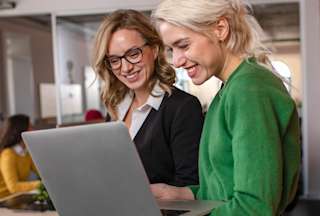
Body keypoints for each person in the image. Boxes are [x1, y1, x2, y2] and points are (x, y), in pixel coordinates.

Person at [151, 0, 301, 215]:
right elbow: (225, 187)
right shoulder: (229, 89)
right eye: (171, 49)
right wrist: (183, 194)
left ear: (220, 29)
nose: (176, 61)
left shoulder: (248, 89)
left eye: (183, 45)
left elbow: (254, 207)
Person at [92, 10, 203, 186]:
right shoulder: (115, 109)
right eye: (114, 60)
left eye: (133, 54)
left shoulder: (182, 107)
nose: (126, 67)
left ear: (154, 49)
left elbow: (191, 183)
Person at [0, 114, 41, 198]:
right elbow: (13, 187)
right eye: (31, 127)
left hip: (16, 198)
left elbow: (41, 172)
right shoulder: (8, 155)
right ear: (21, 130)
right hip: (3, 202)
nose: (34, 130)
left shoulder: (26, 152)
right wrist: (42, 184)